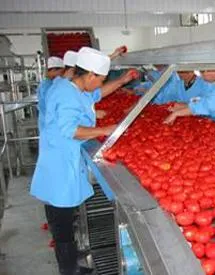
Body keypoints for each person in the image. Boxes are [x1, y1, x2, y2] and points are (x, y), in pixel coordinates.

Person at [30, 47, 136, 275]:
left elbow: (96, 94)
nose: (100, 84)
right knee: (62, 221)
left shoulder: (73, 87)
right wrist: (107, 129)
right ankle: (68, 269)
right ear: (90, 75)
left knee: (63, 219)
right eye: (100, 79)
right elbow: (71, 130)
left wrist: (122, 80)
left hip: (62, 159)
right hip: (60, 164)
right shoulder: (66, 93)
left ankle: (70, 257)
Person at [37, 56, 64, 131]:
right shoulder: (47, 86)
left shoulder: (48, 83)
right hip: (50, 125)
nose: (61, 75)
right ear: (54, 70)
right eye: (61, 72)